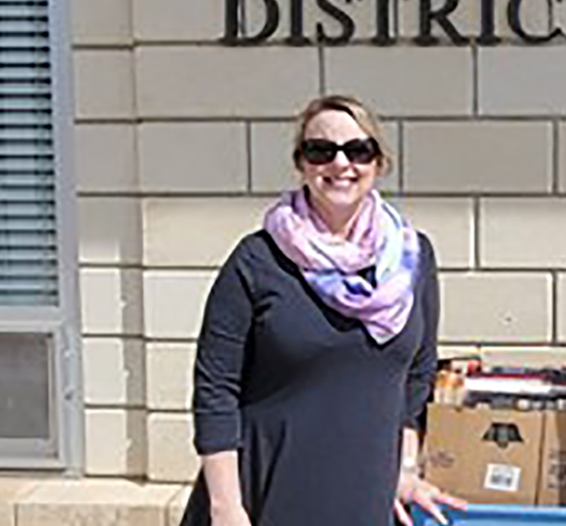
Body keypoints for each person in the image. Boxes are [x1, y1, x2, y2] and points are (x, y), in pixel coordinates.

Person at [179, 95, 466, 526]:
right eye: (321, 150)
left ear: (379, 162)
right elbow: (215, 390)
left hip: (365, 491)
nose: (340, 163)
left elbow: (417, 376)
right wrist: (226, 508)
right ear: (301, 163)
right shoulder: (257, 260)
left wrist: (404, 472)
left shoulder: (413, 258)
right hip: (266, 492)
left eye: (357, 150)